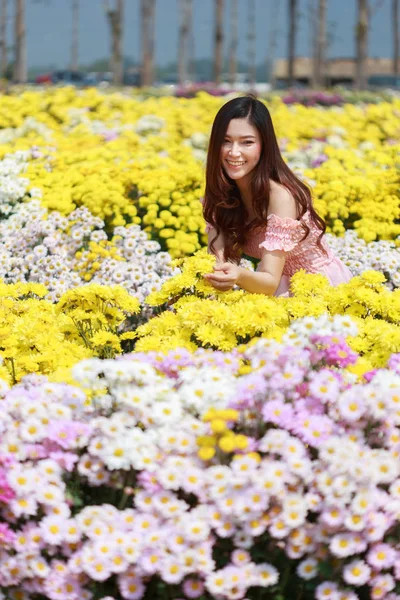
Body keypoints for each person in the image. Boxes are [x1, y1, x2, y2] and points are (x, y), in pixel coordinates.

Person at [202, 95, 353, 296]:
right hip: (270, 288)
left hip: (320, 290)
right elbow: (217, 260)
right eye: (226, 142)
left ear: (264, 145)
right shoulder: (220, 192)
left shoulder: (281, 196)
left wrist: (237, 275)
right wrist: (218, 276)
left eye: (247, 142)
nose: (234, 152)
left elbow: (269, 282)